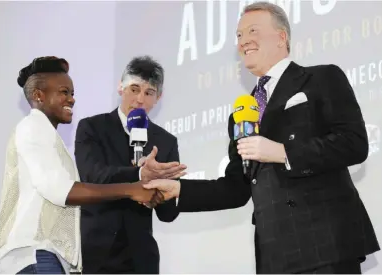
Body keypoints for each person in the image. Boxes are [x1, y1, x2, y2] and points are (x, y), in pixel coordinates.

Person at [144, 2, 380, 274]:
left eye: (252, 30)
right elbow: (236, 188)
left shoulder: (321, 78)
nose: (243, 41)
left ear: (281, 37)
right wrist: (178, 190)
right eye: (239, 36)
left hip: (325, 244)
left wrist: (283, 152)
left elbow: (354, 143)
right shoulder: (241, 114)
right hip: (273, 255)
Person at [0, 56, 162, 274]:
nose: (71, 100)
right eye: (64, 92)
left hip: (46, 255)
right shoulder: (33, 127)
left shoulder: (48, 136)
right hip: (34, 254)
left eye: (72, 94)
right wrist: (131, 190)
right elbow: (59, 190)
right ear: (38, 95)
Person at [74, 55, 186, 274]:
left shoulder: (165, 141)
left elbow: (168, 214)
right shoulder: (92, 127)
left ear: (159, 97)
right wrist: (140, 173)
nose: (140, 100)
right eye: (134, 89)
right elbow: (92, 177)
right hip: (95, 254)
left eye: (149, 93)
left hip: (141, 260)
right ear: (120, 87)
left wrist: (160, 190)